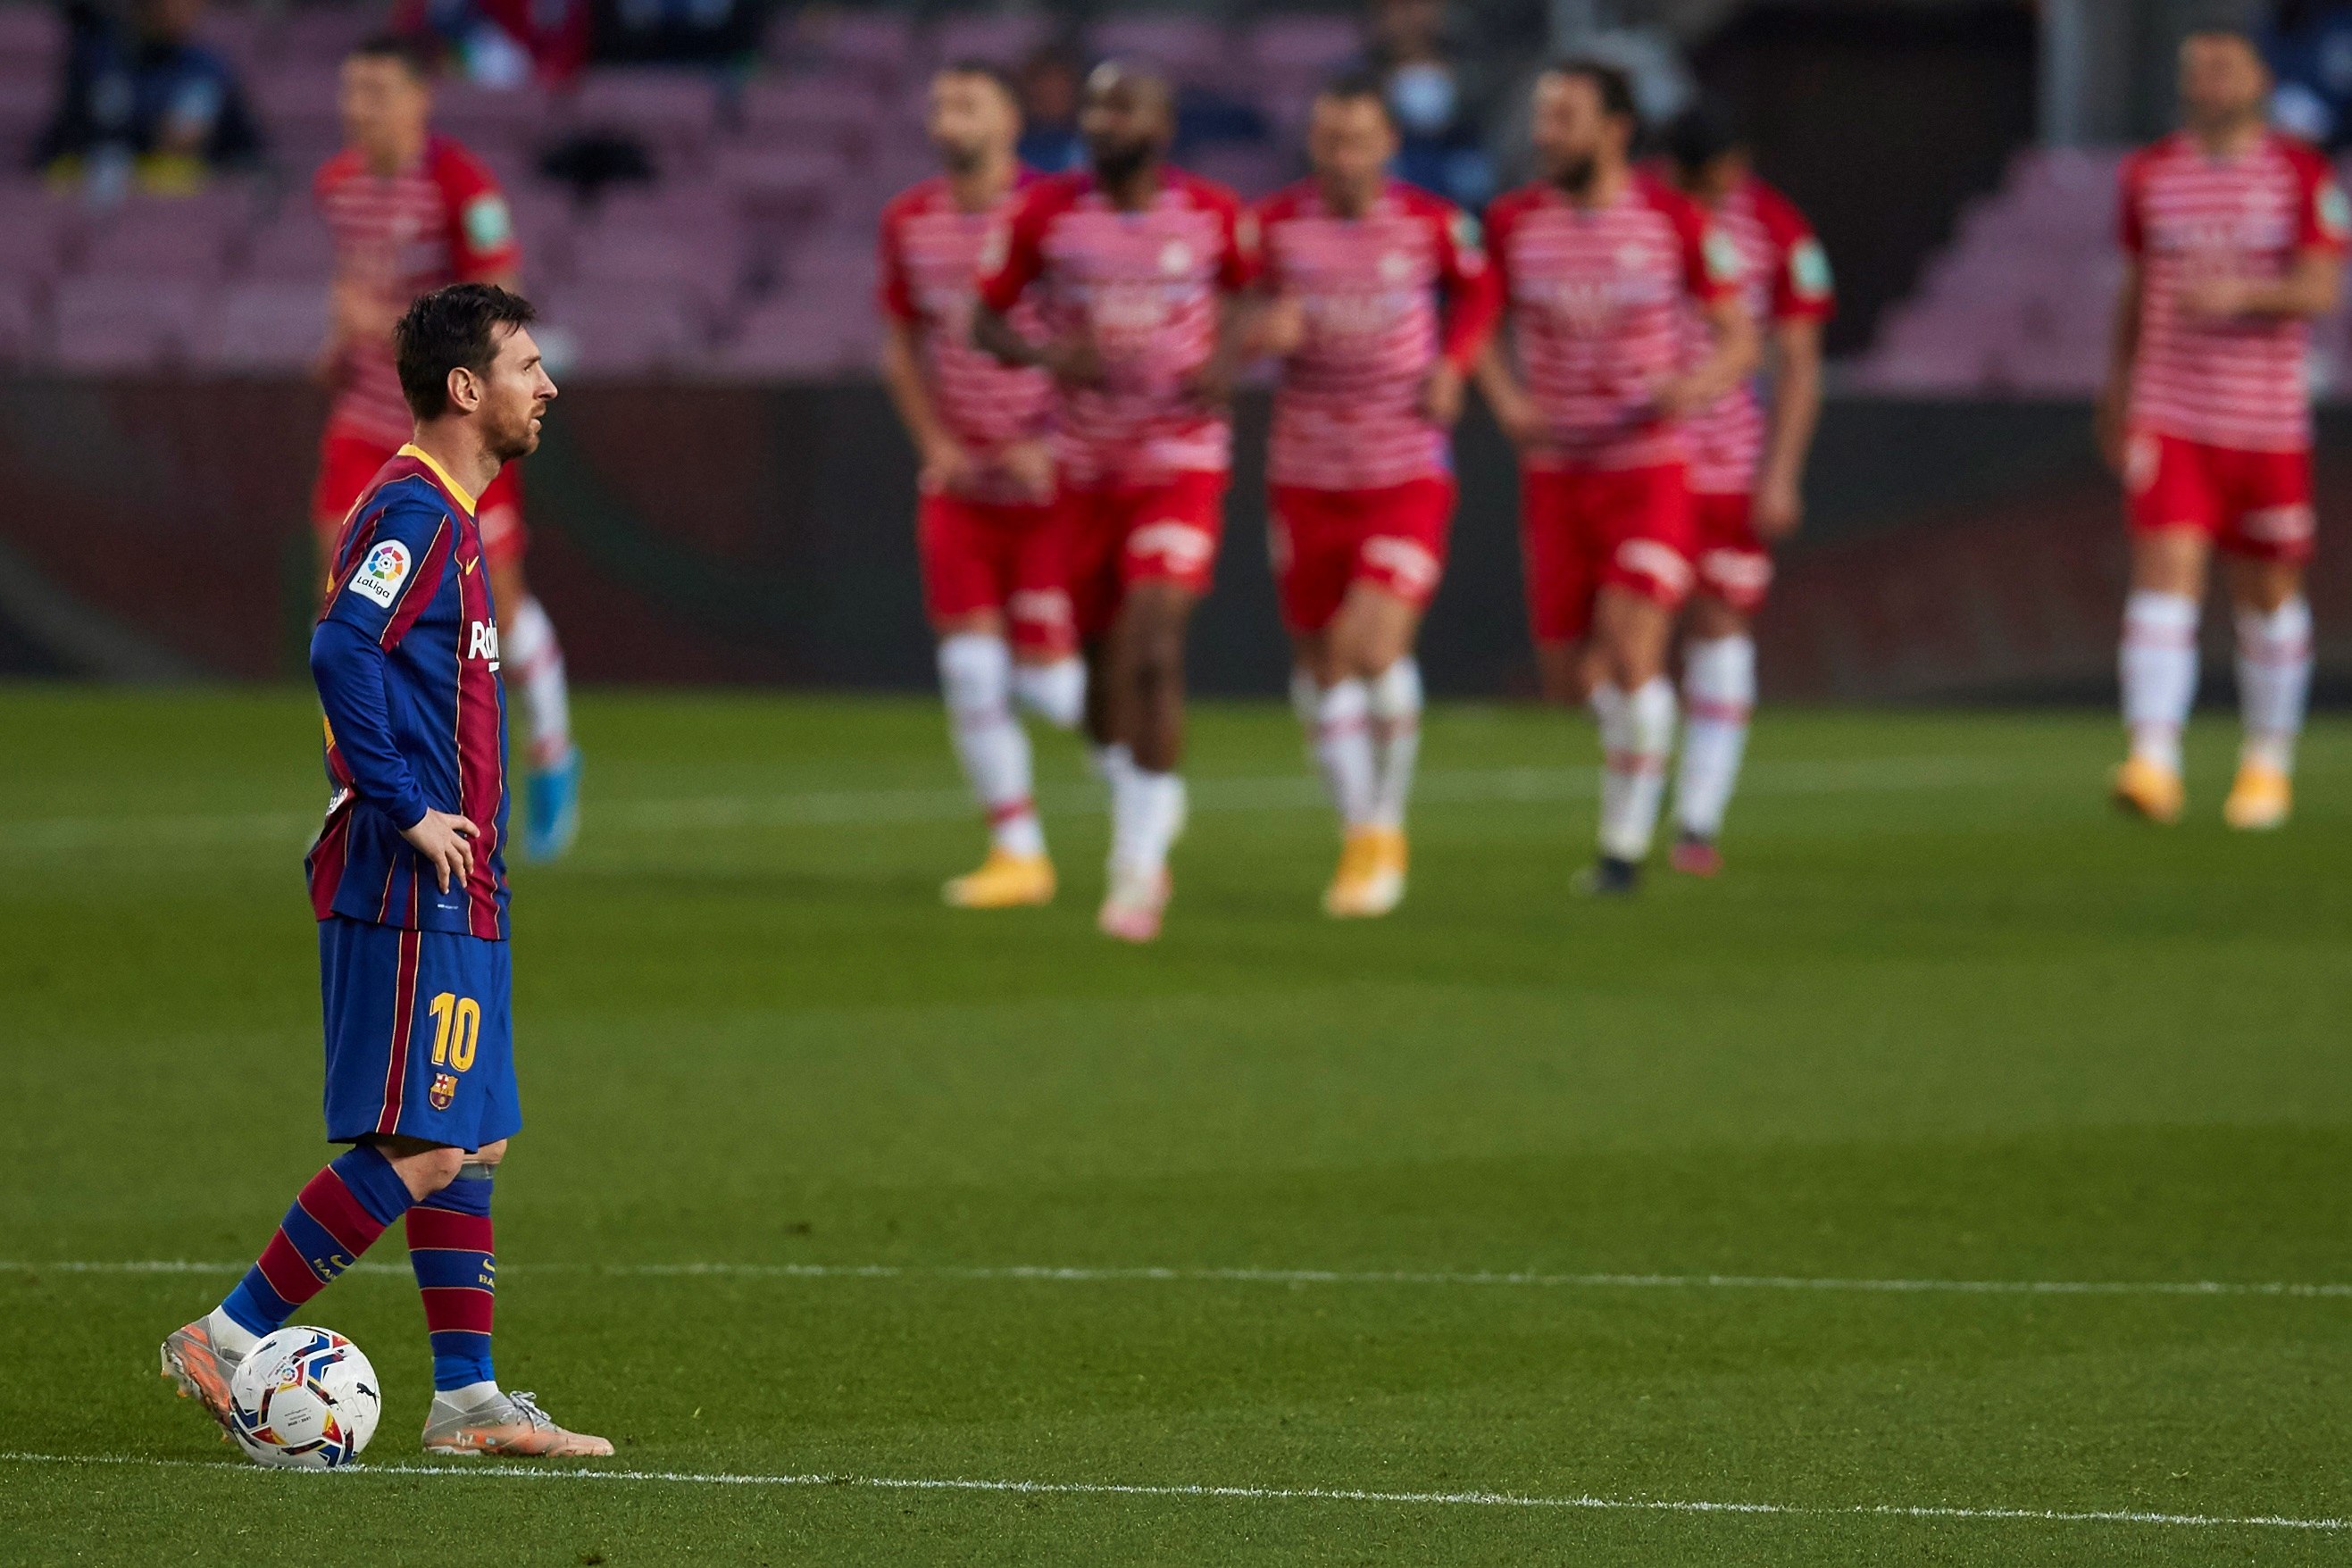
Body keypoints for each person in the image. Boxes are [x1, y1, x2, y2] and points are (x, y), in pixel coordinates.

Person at [162, 282, 610, 1460]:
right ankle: (224, 1333)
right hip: (408, 878)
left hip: (467, 881)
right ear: (467, 389)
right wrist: (405, 807)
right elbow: (338, 649)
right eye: (525, 367)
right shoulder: (412, 511)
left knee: (476, 1137)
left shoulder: (451, 516)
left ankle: (467, 1400)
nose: (546, 386)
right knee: (424, 1143)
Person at [972, 62, 1258, 943]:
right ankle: (1145, 794)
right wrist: (1050, 358)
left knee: (1155, 644)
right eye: (1097, 108)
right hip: (1085, 469)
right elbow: (983, 318)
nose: (1104, 121)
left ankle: (1136, 868)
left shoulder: (1213, 212)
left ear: (1162, 128)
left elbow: (1253, 291)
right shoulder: (1045, 215)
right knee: (1100, 682)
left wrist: (1228, 358)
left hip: (1180, 458)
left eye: (1123, 108)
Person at [1474, 60, 1756, 896]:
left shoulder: (1673, 220)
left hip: (1646, 468)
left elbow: (1740, 336)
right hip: (1557, 475)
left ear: (1615, 131)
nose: (1544, 133)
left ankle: (1622, 850)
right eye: (1542, 115)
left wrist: (1695, 386)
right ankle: (1644, 743)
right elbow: (1475, 325)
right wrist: (1507, 401)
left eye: (1563, 117)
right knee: (1571, 680)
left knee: (1634, 651)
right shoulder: (1512, 222)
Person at [313, 35, 581, 862]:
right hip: (363, 423)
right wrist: (339, 343)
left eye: (378, 90)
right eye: (352, 89)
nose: (361, 107)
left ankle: (551, 748)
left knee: (496, 601)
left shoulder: (461, 186)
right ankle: (365, 781)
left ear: (419, 99)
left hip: (450, 425)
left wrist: (389, 323)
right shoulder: (339, 186)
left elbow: (495, 313)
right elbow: (352, 293)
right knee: (343, 601)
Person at [1255, 74, 1499, 916]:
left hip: (1403, 468)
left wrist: (1454, 364)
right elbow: (1220, 317)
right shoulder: (1272, 228)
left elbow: (1482, 288)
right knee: (1319, 663)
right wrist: (1258, 333)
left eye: (1358, 139)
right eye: (1329, 139)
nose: (1343, 156)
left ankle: (1385, 826)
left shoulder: (1431, 223)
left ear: (1389, 144)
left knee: (1369, 646)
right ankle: (1360, 833)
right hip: (1306, 474)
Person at [2100, 29, 2346, 830]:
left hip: (2266, 423)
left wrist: (2240, 295)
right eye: (2196, 69)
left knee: (2266, 592)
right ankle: (2153, 760)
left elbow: (2319, 289)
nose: (2207, 81)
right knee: (2163, 570)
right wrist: (2117, 391)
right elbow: (2135, 288)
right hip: (2173, 410)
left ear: (2259, 78)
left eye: (2222, 67)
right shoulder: (2150, 173)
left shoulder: (2301, 174)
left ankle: (2267, 762)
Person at [878, 63, 1082, 908]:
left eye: (967, 102)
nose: (948, 116)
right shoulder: (910, 220)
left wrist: (1059, 440)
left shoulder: (1056, 213)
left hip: (1050, 484)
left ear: (1009, 119)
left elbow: (1098, 333)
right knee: (968, 668)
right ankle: (1018, 851)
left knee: (1053, 690)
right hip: (961, 484)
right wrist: (934, 441)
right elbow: (901, 342)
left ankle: (1146, 790)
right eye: (939, 103)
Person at [1659, 104, 1832, 877]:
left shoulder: (1776, 228)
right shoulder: (1636, 215)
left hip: (1727, 459)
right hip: (1634, 456)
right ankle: (1634, 790)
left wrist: (1781, 471)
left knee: (1718, 621)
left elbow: (1798, 359)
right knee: (1622, 636)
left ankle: (1696, 818)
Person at [36, 0, 263, 196]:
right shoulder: (98, 61)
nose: (188, 7)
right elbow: (60, 148)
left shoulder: (209, 69)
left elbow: (249, 155)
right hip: (108, 193)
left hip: (185, 206)